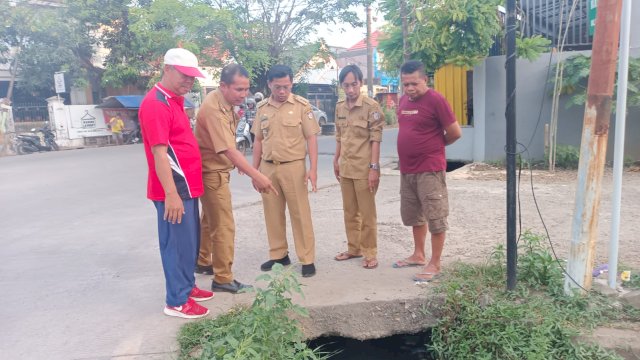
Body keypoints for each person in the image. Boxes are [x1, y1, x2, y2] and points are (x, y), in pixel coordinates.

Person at [138, 48, 214, 319]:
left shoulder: (174, 100)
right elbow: (160, 153)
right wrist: (171, 194)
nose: (189, 82)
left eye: (192, 78)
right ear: (167, 69)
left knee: (189, 243)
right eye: (184, 76)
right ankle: (176, 301)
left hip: (187, 186)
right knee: (175, 244)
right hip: (175, 189)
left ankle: (187, 286)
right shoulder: (156, 103)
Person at [195, 63, 278, 293]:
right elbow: (227, 150)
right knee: (223, 225)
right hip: (212, 173)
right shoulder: (214, 108)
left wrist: (237, 162)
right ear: (223, 86)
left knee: (209, 219)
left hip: (213, 168)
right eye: (238, 90)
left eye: (246, 89)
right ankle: (223, 277)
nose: (244, 95)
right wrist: (257, 174)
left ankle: (203, 260)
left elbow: (228, 145)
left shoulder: (222, 101)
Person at [393, 60, 462, 282]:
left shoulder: (436, 100)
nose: (410, 88)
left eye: (414, 83)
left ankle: (436, 263)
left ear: (425, 80)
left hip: (429, 169)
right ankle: (418, 254)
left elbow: (454, 132)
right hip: (408, 170)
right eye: (406, 84)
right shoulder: (403, 101)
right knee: (414, 215)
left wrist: (434, 145)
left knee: (435, 215)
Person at [251, 64, 320, 278]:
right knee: (272, 214)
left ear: (291, 84)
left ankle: (307, 259)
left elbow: (311, 138)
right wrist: (255, 171)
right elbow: (258, 141)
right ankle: (279, 254)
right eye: (278, 87)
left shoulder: (301, 106)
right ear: (270, 84)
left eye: (286, 87)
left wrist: (313, 169)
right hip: (268, 167)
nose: (282, 91)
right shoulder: (262, 108)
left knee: (300, 213)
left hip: (294, 167)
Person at [332, 65, 385, 269]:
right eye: (346, 85)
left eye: (354, 84)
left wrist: (374, 168)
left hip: (364, 169)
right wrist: (335, 160)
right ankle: (354, 248)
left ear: (361, 83)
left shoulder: (371, 107)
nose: (351, 89)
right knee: (350, 211)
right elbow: (339, 136)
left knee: (367, 213)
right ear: (342, 86)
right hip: (346, 167)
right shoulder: (340, 107)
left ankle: (370, 252)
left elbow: (376, 139)